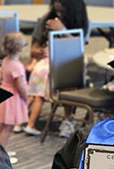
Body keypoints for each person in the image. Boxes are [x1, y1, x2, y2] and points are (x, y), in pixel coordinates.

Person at [32, 0, 88, 137]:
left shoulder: (82, 21)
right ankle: (67, 118)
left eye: (62, 11)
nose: (59, 14)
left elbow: (78, 48)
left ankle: (68, 118)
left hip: (71, 59)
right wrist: (40, 52)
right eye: (56, 10)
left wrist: (62, 30)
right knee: (58, 72)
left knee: (67, 70)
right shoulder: (46, 19)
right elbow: (33, 50)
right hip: (49, 61)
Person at [0, 32, 27, 163]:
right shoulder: (17, 66)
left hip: (5, 93)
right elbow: (20, 86)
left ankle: (1, 149)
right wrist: (26, 97)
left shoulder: (6, 60)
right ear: (19, 48)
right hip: (13, 98)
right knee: (7, 128)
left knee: (4, 127)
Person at [24, 33, 49, 136]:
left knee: (31, 97)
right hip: (48, 70)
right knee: (39, 98)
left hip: (38, 69)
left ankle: (19, 123)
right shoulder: (60, 40)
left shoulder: (44, 40)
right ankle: (31, 124)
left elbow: (35, 55)